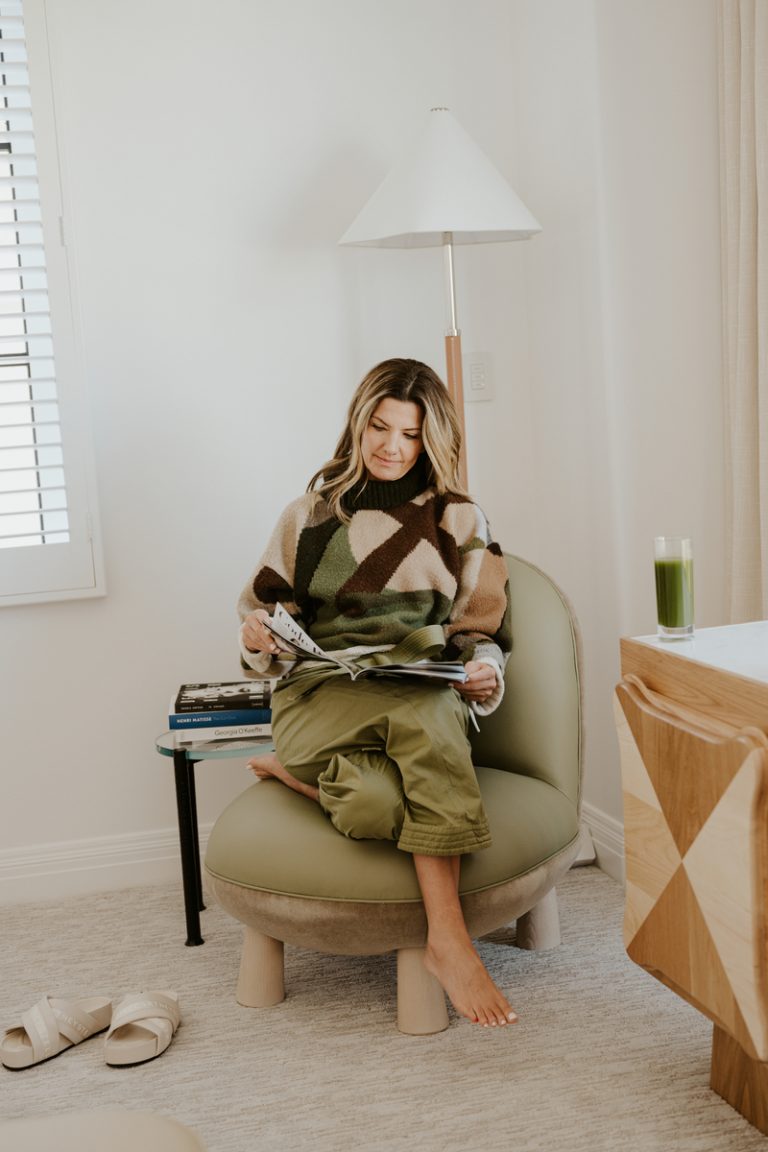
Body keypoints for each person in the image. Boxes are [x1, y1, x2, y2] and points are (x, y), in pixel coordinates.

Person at [237, 358, 515, 1028]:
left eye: (411, 433)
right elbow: (265, 623)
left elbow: (481, 630)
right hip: (319, 701)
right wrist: (258, 639)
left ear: (433, 438)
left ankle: (308, 787)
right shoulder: (307, 516)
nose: (392, 445)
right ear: (357, 427)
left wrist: (486, 674)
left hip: (418, 694)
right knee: (424, 711)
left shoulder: (460, 520)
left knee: (372, 802)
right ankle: (448, 937)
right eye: (379, 427)